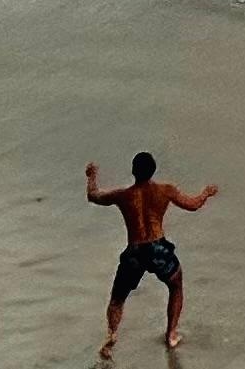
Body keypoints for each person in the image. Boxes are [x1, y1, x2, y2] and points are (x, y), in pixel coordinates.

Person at [85, 149, 218, 350]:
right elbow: (193, 205)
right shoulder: (166, 190)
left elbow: (93, 196)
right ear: (153, 171)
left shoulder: (123, 195)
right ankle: (171, 334)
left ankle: (112, 335)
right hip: (157, 248)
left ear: (133, 171)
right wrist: (206, 193)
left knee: (117, 298)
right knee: (175, 285)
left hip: (135, 250)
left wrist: (92, 176)